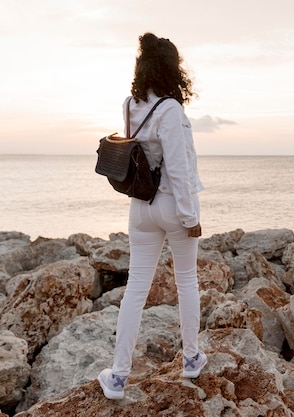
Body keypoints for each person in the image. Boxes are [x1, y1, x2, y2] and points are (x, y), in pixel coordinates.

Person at [98, 33, 206, 400]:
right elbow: (176, 168)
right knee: (186, 281)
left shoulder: (130, 104)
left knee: (135, 291)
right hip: (173, 207)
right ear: (173, 69)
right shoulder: (171, 110)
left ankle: (117, 377)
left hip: (140, 207)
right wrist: (190, 216)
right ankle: (191, 358)